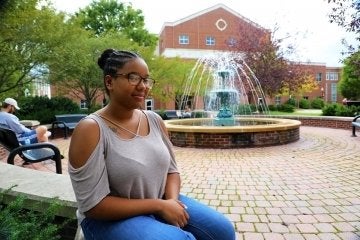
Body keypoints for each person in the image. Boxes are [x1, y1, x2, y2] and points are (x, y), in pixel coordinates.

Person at [68, 49, 236, 240]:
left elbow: (172, 171)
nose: (143, 86)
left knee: (223, 231)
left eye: (146, 79)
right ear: (109, 82)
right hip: (106, 219)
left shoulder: (154, 120)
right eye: (133, 77)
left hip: (161, 201)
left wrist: (171, 203)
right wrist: (159, 206)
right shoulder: (91, 129)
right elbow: (93, 206)